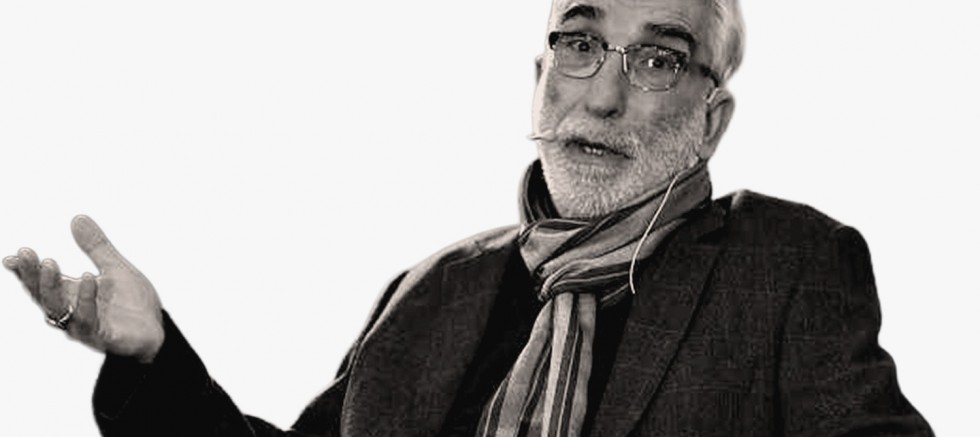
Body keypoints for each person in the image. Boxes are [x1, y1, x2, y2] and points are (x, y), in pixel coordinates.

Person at [3, 0, 934, 435]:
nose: (602, 96)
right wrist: (154, 361)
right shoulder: (432, 289)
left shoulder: (787, 262)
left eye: (657, 60)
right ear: (540, 77)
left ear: (712, 120)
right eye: (580, 43)